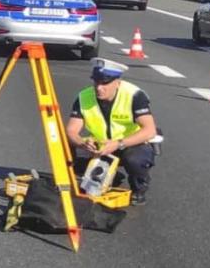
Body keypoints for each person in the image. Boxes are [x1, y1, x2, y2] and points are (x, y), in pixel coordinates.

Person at [66, 58, 157, 206]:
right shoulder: (84, 97)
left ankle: (139, 188)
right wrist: (83, 142)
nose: (99, 88)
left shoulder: (134, 95)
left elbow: (149, 130)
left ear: (117, 82)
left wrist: (118, 144)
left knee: (135, 160)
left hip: (128, 144)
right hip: (99, 146)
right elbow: (71, 131)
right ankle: (105, 176)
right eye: (96, 82)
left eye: (105, 83)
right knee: (64, 147)